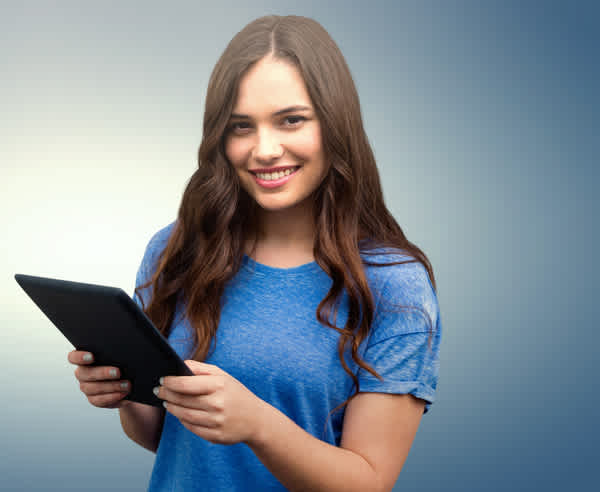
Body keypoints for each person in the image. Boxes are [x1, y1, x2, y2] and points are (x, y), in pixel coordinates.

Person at [67, 15, 441, 492]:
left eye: (291, 120)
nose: (264, 149)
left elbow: (368, 482)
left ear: (335, 125)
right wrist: (125, 395)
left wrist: (259, 425)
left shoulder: (394, 284)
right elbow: (165, 438)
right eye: (241, 126)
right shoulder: (176, 249)